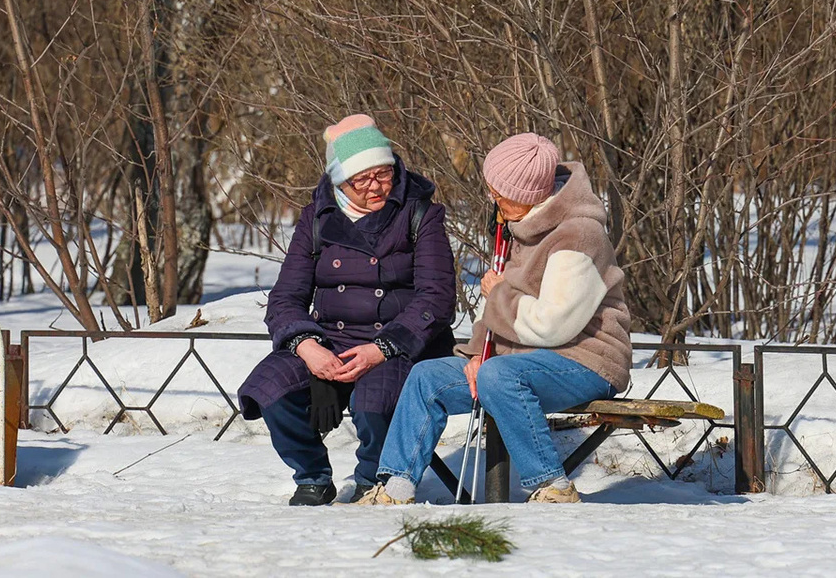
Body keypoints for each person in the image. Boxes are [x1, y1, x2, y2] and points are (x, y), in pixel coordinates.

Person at [353, 132, 632, 505]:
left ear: (530, 193)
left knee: (500, 375)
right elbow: (496, 315)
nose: (493, 201)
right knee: (426, 377)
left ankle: (553, 486)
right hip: (515, 363)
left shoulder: (579, 234)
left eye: (500, 193)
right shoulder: (518, 225)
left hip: (586, 361)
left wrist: (498, 294)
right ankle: (395, 488)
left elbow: (552, 324)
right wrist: (475, 357)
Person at [238, 114, 457, 506]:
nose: (376, 186)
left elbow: (436, 298)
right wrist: (307, 346)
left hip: (398, 342)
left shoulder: (420, 213)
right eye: (363, 179)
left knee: (375, 402)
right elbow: (285, 297)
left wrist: (383, 347)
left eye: (384, 174)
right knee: (268, 389)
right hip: (330, 339)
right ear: (340, 180)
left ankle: (373, 482)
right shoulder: (317, 219)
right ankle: (312, 475)